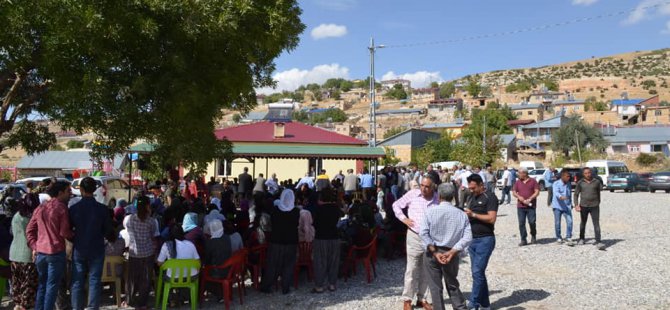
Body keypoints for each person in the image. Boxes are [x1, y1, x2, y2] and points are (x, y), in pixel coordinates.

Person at [420, 183, 472, 310]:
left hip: (432, 253)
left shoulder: (430, 212)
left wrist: (435, 252)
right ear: (453, 196)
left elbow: (423, 234)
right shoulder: (461, 214)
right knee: (452, 284)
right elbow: (468, 236)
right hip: (451, 253)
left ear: (439, 196)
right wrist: (453, 251)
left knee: (435, 287)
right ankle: (460, 307)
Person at [392, 177, 439, 310]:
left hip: (430, 238)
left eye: (427, 186)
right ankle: (407, 299)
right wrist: (404, 219)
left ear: (433, 187)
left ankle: (422, 298)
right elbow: (396, 205)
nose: (423, 188)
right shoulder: (413, 194)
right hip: (414, 235)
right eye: (422, 185)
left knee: (426, 269)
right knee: (412, 269)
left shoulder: (437, 198)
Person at [25, 181, 73, 310]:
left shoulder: (41, 207)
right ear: (60, 192)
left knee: (42, 285)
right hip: (55, 252)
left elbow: (29, 229)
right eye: (68, 191)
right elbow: (64, 232)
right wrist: (75, 234)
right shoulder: (61, 208)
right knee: (52, 287)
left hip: (41, 252)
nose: (71, 194)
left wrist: (35, 246)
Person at [69, 177, 113, 310]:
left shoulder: (74, 209)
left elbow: (68, 230)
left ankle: (77, 307)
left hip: (79, 248)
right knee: (94, 280)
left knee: (77, 280)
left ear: (81, 190)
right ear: (95, 190)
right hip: (97, 248)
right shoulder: (102, 209)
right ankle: (92, 307)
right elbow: (109, 231)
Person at [463, 174, 498, 310]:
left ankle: (473, 304)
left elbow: (491, 218)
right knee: (478, 273)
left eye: (473, 188)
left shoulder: (490, 197)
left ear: (481, 184)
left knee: (477, 272)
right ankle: (485, 304)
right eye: (469, 188)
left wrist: (473, 215)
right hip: (472, 239)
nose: (471, 190)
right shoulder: (472, 197)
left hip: (485, 239)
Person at [260, 189, 300, 294]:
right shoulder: (296, 212)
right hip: (291, 241)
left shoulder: (275, 211)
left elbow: (271, 224)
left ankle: (267, 285)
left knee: (272, 264)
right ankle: (285, 287)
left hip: (276, 241)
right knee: (288, 265)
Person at [124, 196, 157, 309]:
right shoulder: (152, 221)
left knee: (132, 278)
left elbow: (127, 230)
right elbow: (153, 235)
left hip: (134, 252)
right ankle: (142, 303)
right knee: (146, 279)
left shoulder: (129, 219)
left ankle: (129, 300)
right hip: (148, 253)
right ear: (148, 206)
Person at [311, 188, 344, 293]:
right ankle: (332, 284)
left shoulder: (318, 209)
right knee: (333, 261)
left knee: (320, 262)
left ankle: (319, 285)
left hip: (321, 237)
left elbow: (314, 223)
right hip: (334, 236)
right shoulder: (336, 208)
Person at [10, 193, 40, 310]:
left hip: (14, 253)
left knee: (16, 282)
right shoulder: (32, 217)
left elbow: (12, 232)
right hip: (27, 254)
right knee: (29, 283)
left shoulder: (16, 215)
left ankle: (18, 304)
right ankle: (24, 306)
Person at [156, 225, 200, 305]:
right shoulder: (190, 244)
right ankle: (183, 298)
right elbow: (198, 262)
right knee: (184, 276)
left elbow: (159, 263)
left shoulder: (166, 245)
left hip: (173, 278)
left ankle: (171, 300)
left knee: (162, 276)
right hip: (191, 276)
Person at [574, 167, 605, 250]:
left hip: (594, 206)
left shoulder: (596, 182)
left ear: (591, 173)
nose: (588, 174)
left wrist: (598, 202)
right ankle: (581, 239)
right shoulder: (580, 183)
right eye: (586, 173)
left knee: (596, 224)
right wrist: (576, 205)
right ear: (583, 174)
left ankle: (598, 241)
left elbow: (599, 192)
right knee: (583, 223)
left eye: (589, 173)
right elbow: (576, 194)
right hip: (583, 206)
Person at [203, 220, 232, 302]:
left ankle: (220, 294)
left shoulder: (210, 242)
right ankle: (224, 292)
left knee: (202, 275)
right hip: (229, 269)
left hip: (217, 272)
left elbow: (207, 259)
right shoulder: (227, 238)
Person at [512, 168, 539, 246]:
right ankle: (523, 239)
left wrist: (530, 198)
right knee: (521, 223)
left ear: (525, 173)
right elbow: (514, 192)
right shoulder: (517, 182)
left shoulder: (533, 181)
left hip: (531, 206)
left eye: (519, 173)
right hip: (521, 206)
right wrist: (519, 197)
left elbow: (537, 192)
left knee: (532, 222)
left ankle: (533, 235)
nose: (518, 175)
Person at [552, 170, 574, 245]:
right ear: (562, 176)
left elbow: (569, 194)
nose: (568, 178)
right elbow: (556, 192)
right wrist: (561, 196)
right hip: (557, 206)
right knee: (557, 223)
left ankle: (568, 237)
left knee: (570, 221)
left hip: (567, 206)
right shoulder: (556, 183)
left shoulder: (568, 184)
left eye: (569, 176)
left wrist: (571, 203)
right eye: (567, 176)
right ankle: (558, 237)